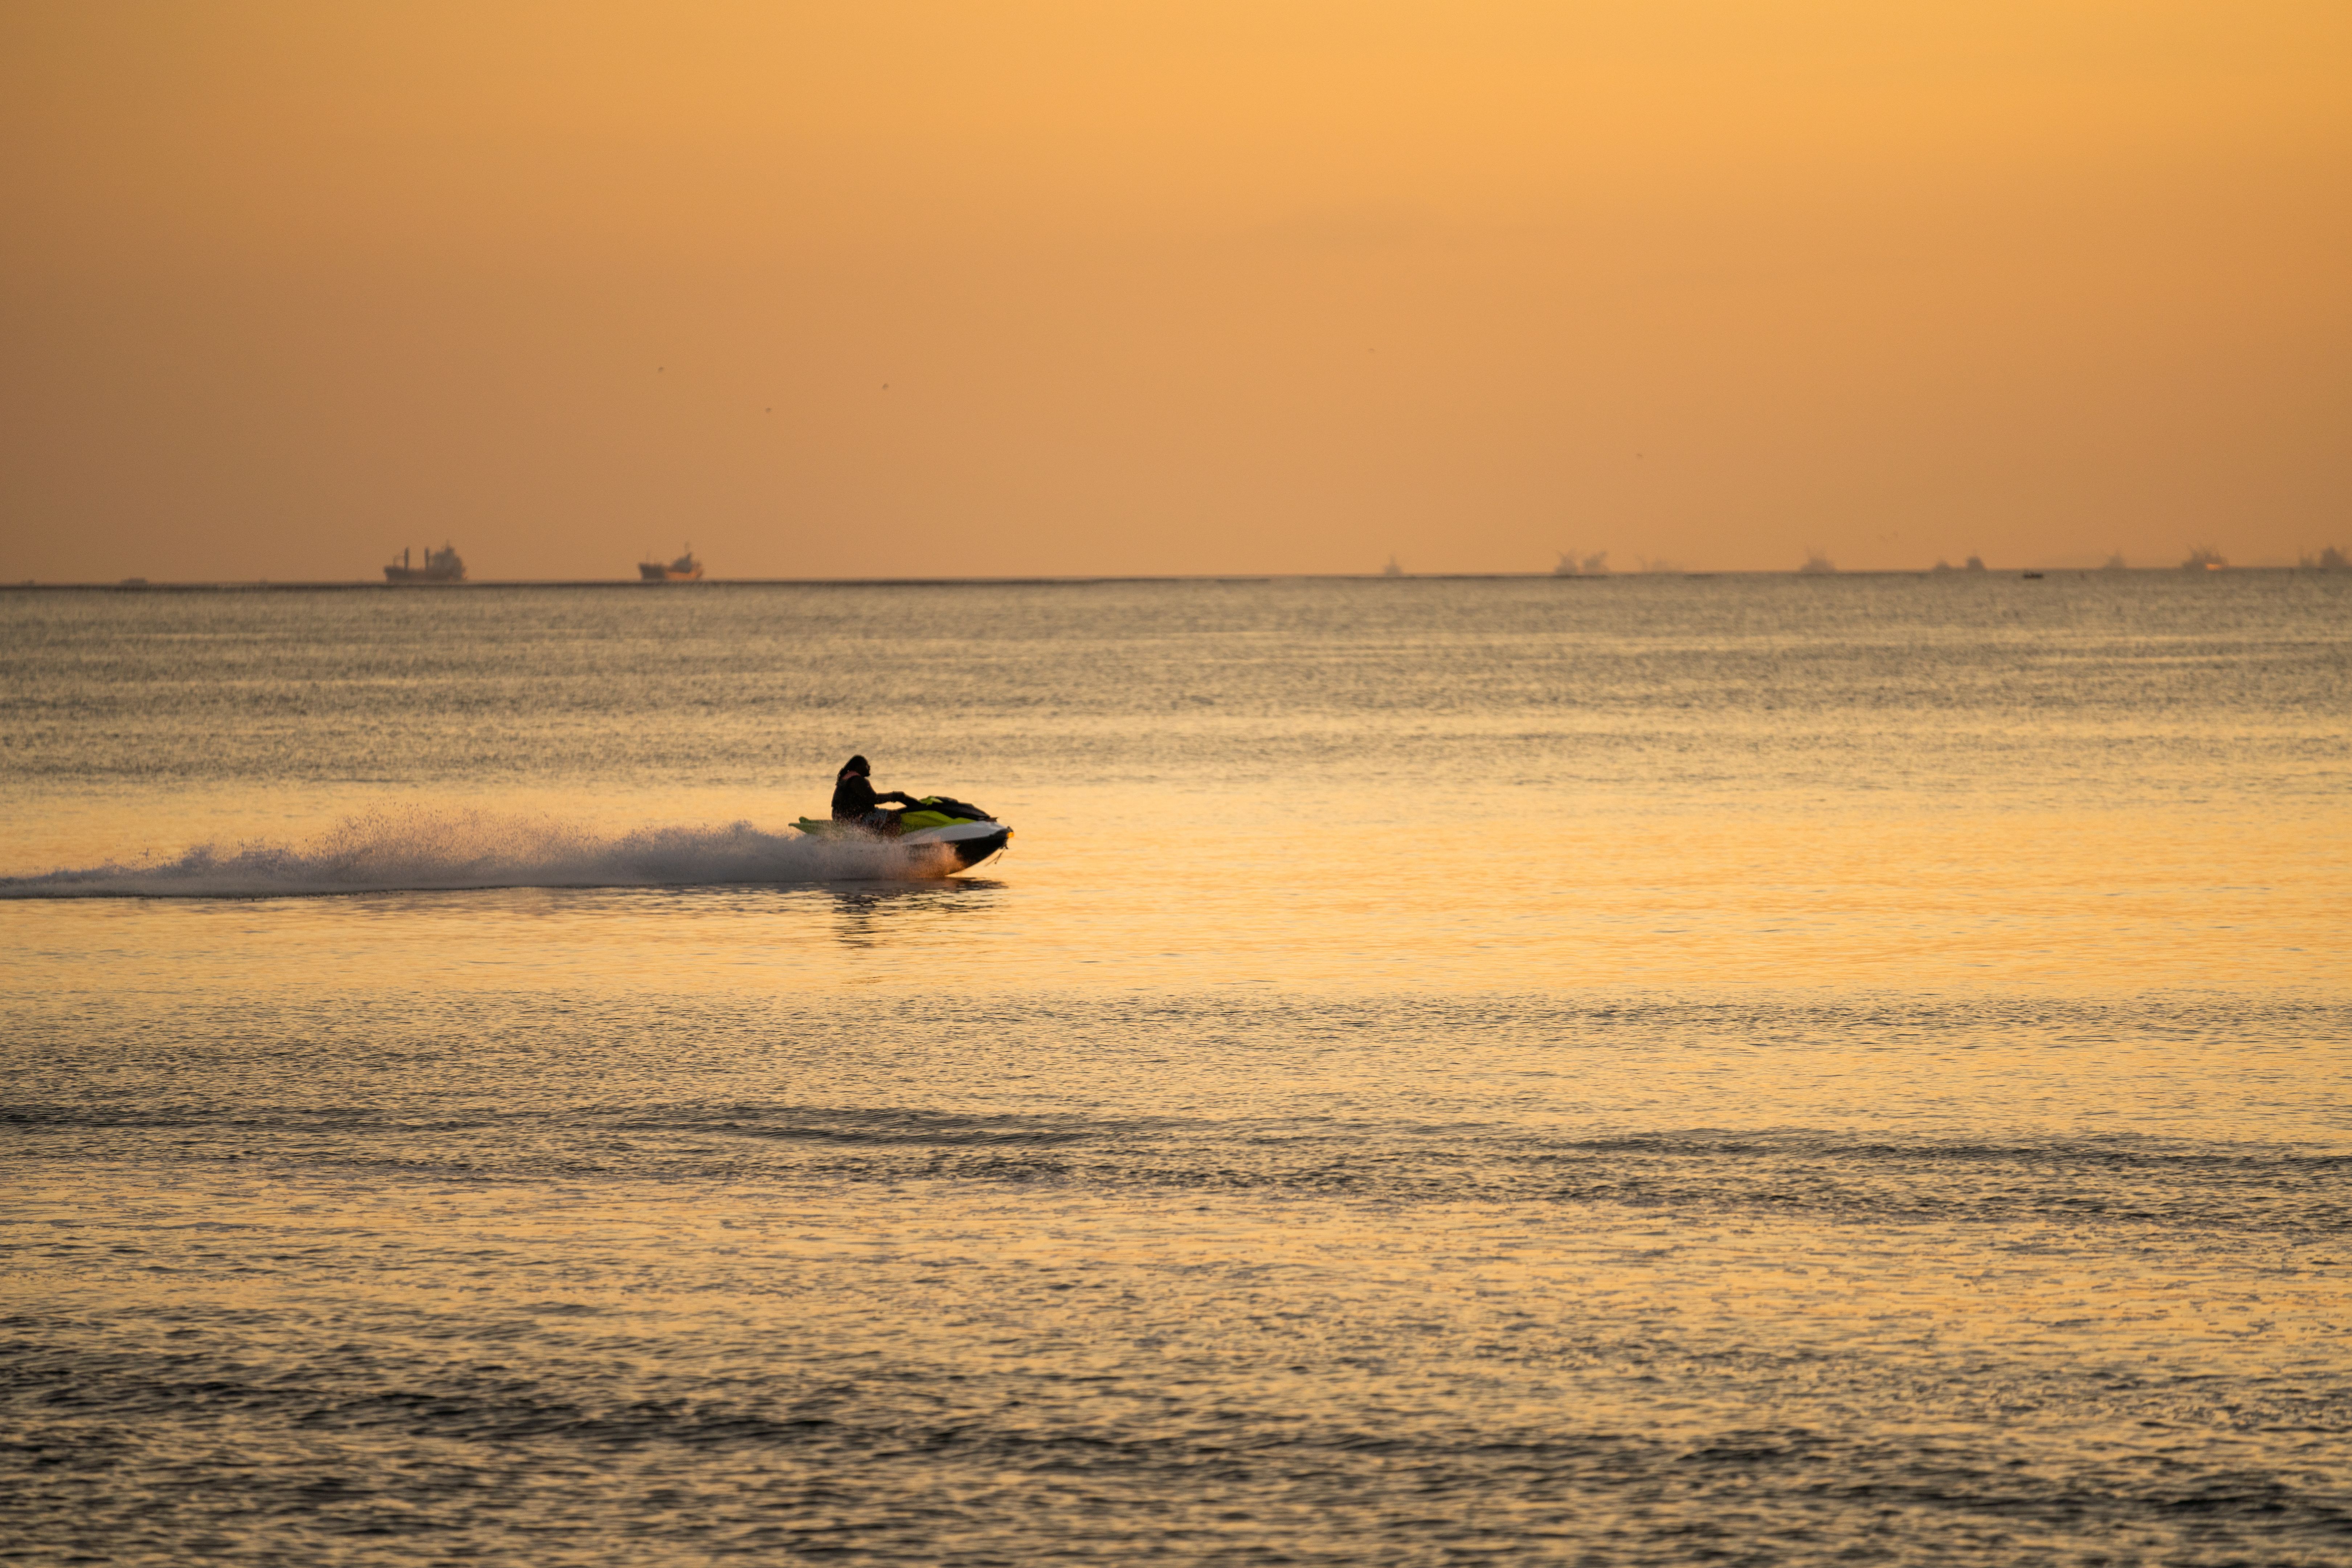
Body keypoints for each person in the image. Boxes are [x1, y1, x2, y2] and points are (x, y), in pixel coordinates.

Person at [831, 755, 921, 834]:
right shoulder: (857, 780)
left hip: (842, 817)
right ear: (858, 767)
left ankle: (880, 837)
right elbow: (874, 799)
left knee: (883, 813)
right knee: (894, 817)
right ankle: (886, 844)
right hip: (854, 819)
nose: (869, 767)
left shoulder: (847, 778)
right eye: (866, 764)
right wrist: (894, 796)